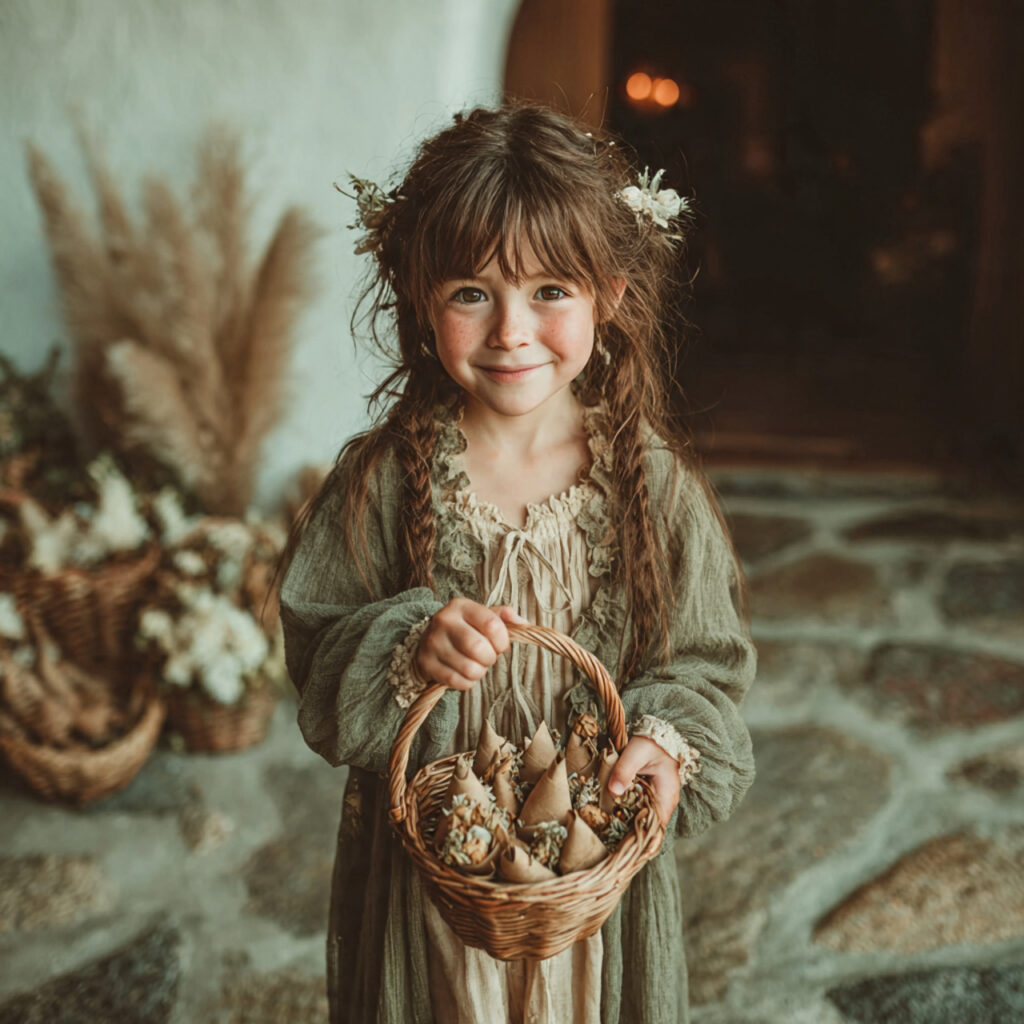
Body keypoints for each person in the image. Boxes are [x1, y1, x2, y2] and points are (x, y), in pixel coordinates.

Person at [279, 103, 756, 1024]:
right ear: (422, 298)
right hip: (437, 881)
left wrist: (662, 738)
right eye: (471, 292)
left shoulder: (650, 487)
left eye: (550, 291)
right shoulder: (382, 480)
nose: (510, 330)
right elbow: (317, 650)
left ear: (609, 296)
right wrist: (407, 646)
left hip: (589, 874)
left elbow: (704, 665)